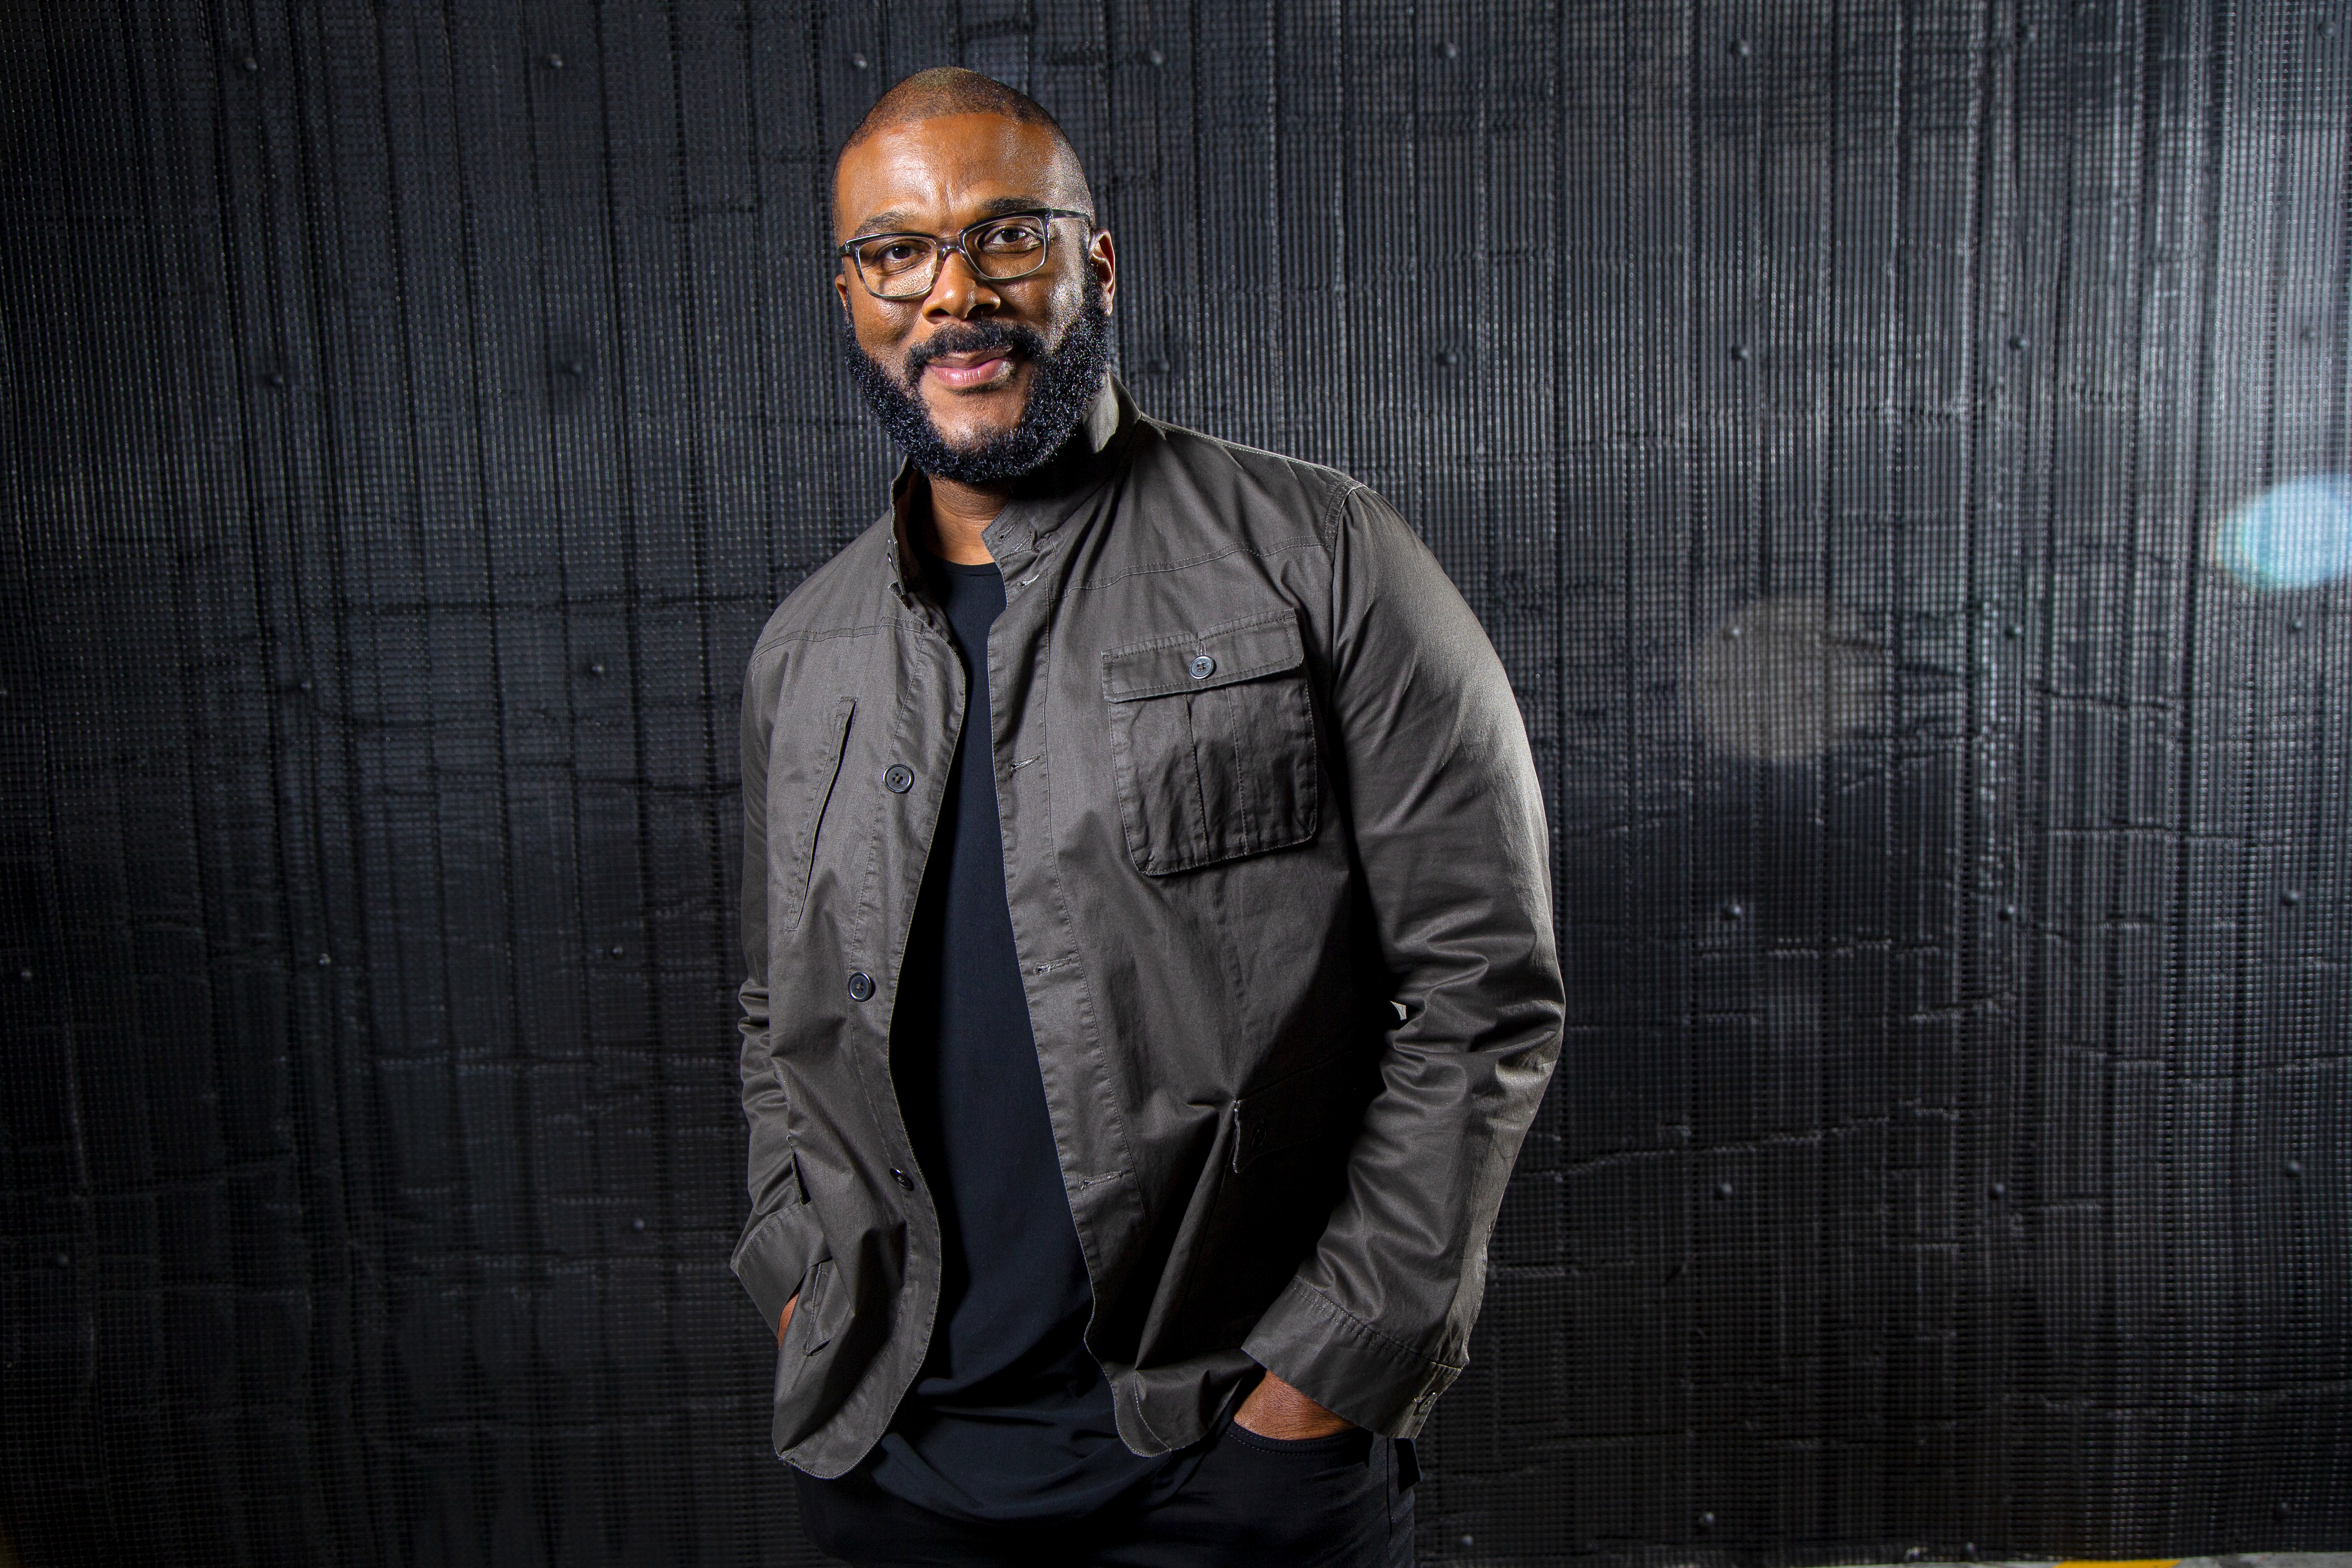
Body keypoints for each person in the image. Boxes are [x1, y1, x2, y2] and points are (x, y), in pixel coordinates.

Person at [733, 66, 1563, 1567]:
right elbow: (775, 1013)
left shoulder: (1322, 558)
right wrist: (799, 1279)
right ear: (850, 292)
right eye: (894, 253)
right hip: (886, 1458)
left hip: (1223, 1463)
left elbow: (1482, 994)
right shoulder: (808, 649)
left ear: (1093, 263)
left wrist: (1322, 1378)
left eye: (1005, 236)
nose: (951, 295)